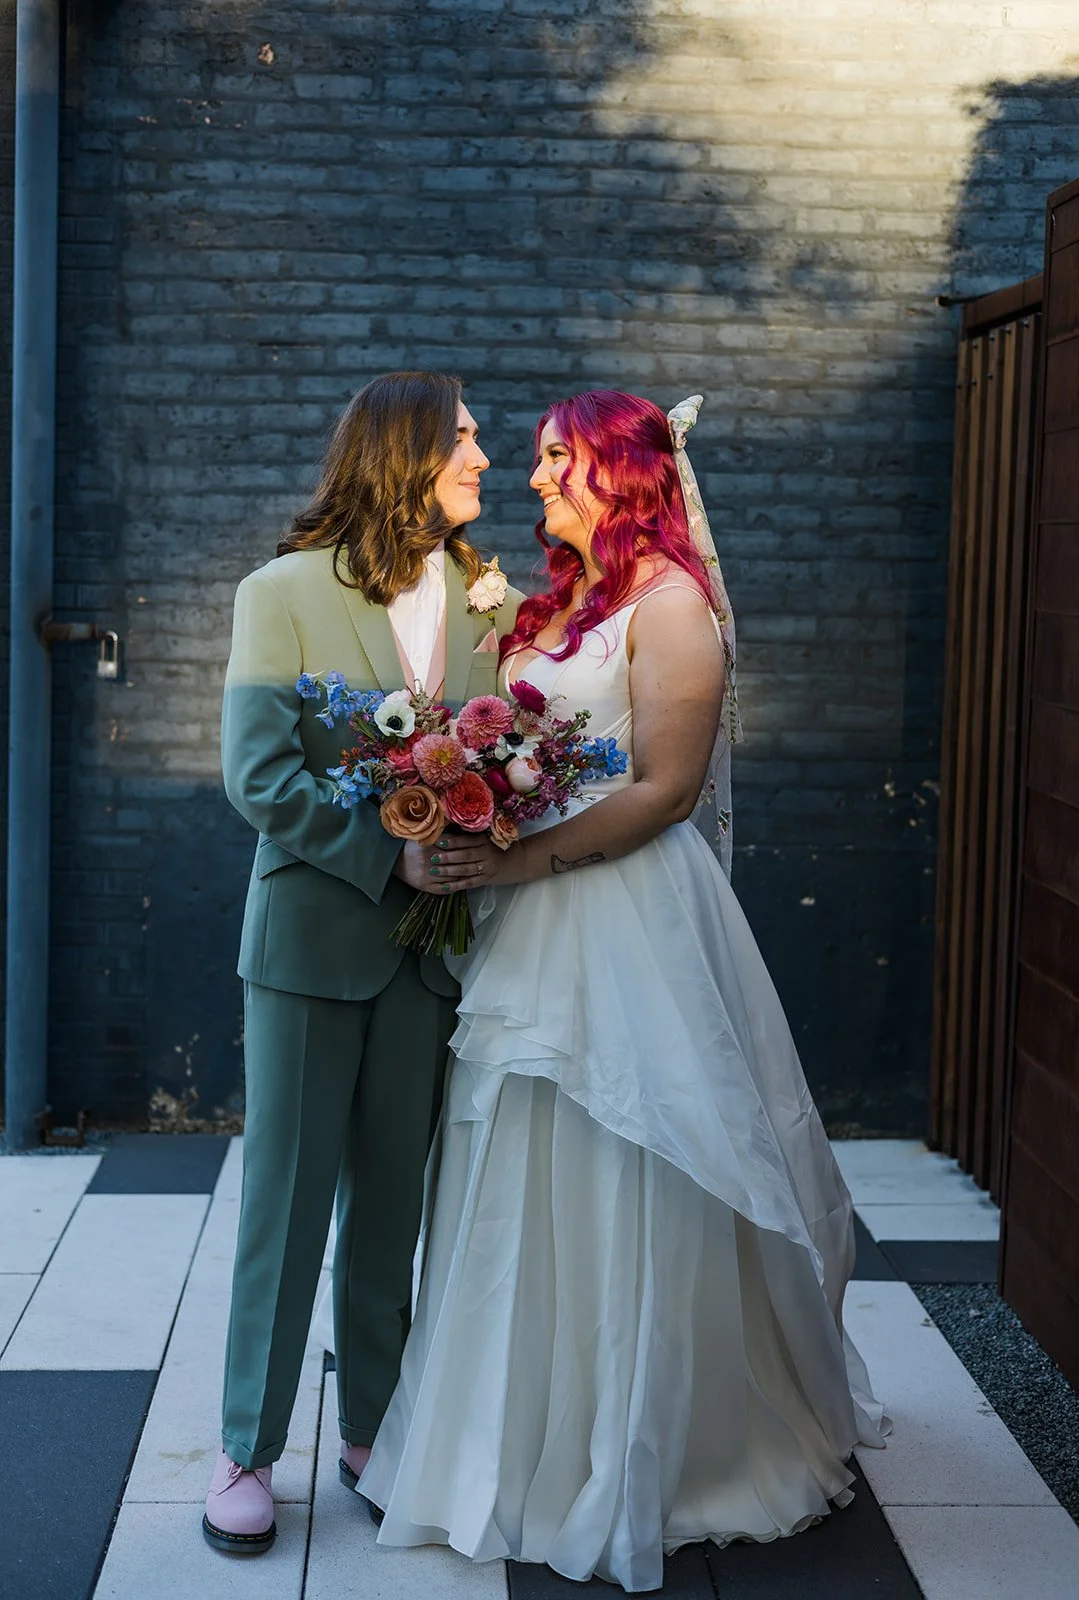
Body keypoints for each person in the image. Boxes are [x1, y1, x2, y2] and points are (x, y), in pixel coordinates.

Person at [355, 390, 889, 1593]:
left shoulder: (671, 606)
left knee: (633, 1152)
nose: (535, 477)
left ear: (618, 466)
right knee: (515, 1158)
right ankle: (507, 1439)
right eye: (536, 457)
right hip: (530, 920)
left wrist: (518, 854)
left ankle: (662, 1445)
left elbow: (664, 791)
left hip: (629, 918)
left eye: (555, 457)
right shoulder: (551, 604)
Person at [202, 371, 523, 1555]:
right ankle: (246, 1445)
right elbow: (259, 774)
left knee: (396, 1202)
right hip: (310, 942)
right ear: (407, 452)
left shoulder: (488, 601)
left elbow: (516, 751)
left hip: (431, 957)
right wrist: (383, 859)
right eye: (467, 440)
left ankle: (374, 1428)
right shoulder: (279, 593)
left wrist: (491, 826)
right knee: (282, 1208)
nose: (483, 460)